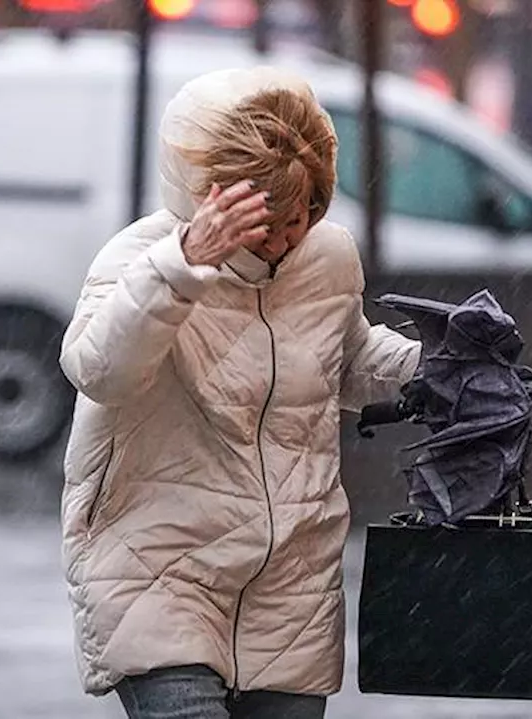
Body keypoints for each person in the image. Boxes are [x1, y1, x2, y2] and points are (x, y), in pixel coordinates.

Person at [58, 66, 421, 719]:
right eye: (272, 219)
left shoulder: (329, 257)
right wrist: (183, 265)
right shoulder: (140, 259)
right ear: (213, 195)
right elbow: (98, 369)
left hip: (290, 585)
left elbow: (346, 360)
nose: (289, 236)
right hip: (160, 570)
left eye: (307, 212)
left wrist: (436, 369)